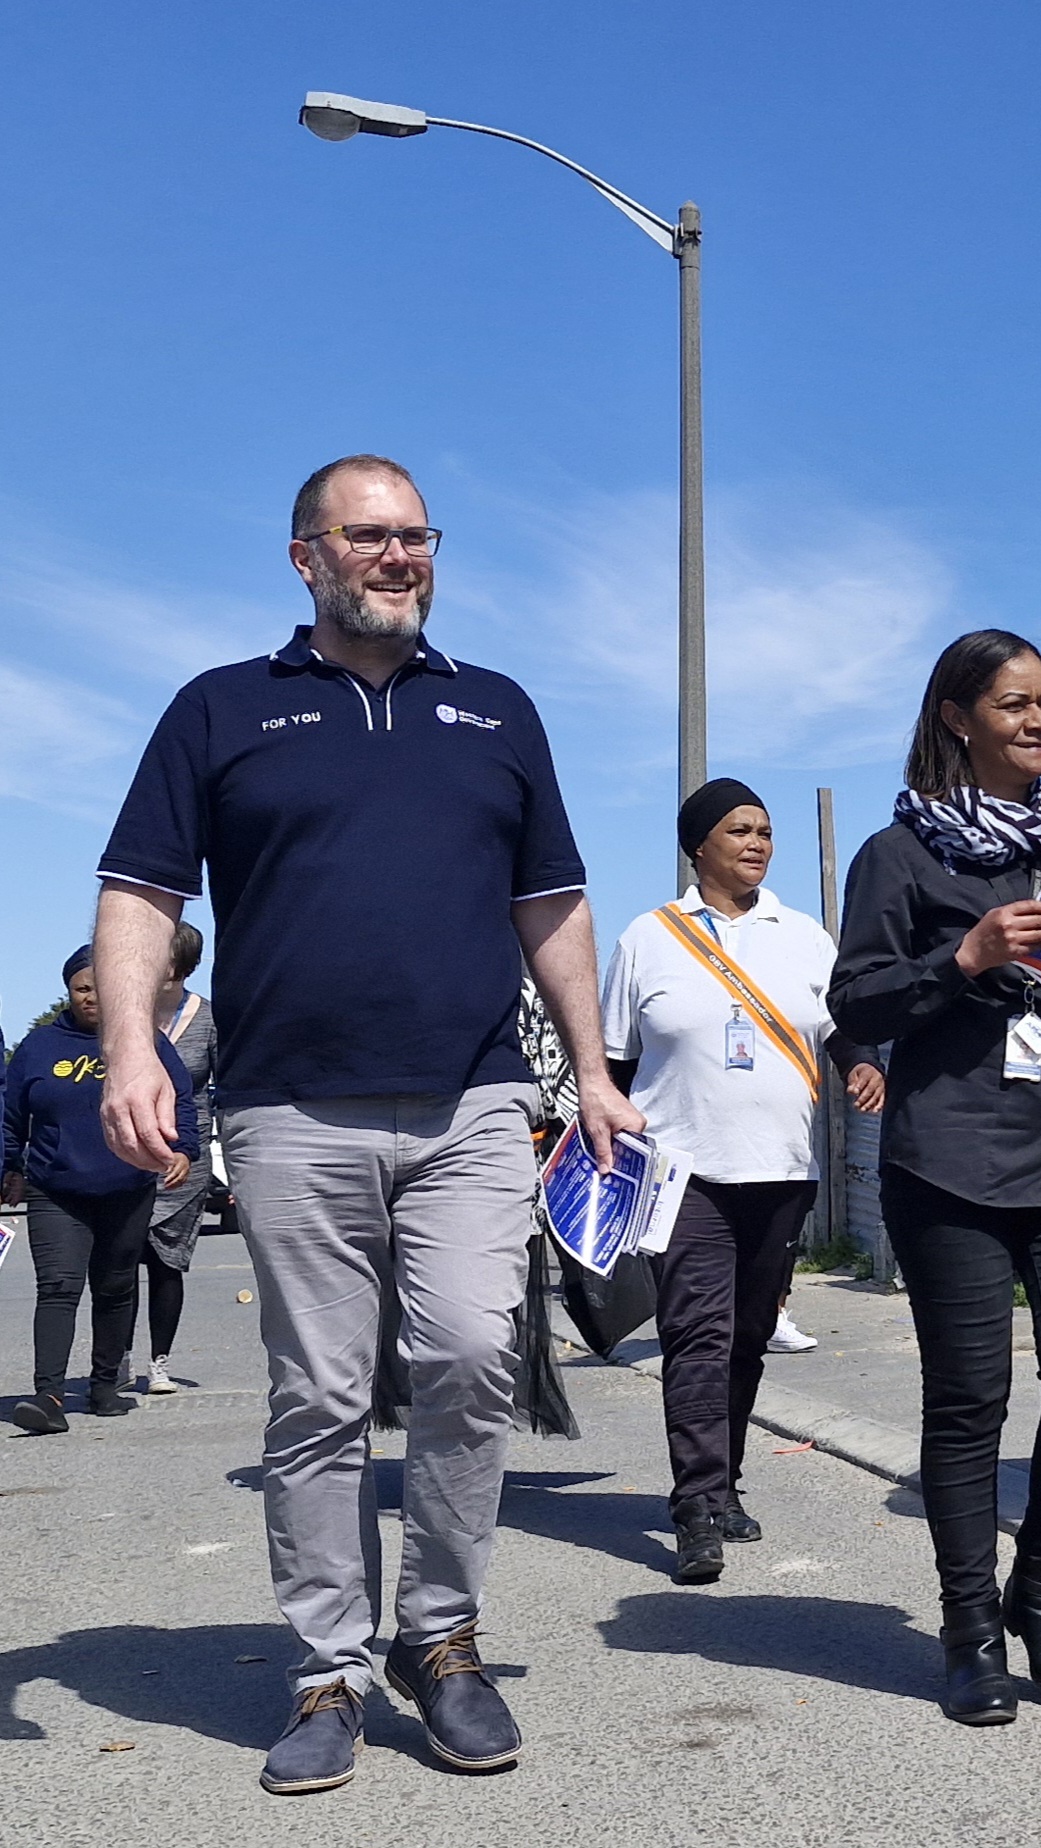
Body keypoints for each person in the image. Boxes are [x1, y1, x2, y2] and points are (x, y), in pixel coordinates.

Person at [92, 454, 642, 1795]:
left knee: (467, 1361)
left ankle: (440, 1639)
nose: (400, 558)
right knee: (323, 1395)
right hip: (290, 1109)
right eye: (369, 538)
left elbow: (553, 904)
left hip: (473, 1104)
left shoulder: (495, 712)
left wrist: (594, 1068)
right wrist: (132, 1047)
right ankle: (331, 1668)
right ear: (307, 558)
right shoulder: (222, 711)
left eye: (417, 537)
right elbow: (142, 892)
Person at [830, 629, 1041, 1726]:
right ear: (959, 717)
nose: (1039, 721)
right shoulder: (898, 854)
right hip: (952, 1155)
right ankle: (970, 1629)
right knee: (969, 1402)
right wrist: (961, 960)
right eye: (1014, 703)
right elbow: (858, 1006)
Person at [603, 778, 886, 1583]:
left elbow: (842, 1027)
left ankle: (724, 1480)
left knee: (751, 1333)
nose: (758, 842)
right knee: (697, 1333)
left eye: (765, 830)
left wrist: (862, 1066)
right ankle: (696, 1504)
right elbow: (617, 1063)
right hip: (680, 1171)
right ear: (699, 846)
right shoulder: (648, 938)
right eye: (739, 829)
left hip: (782, 1169)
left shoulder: (803, 936)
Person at [3, 946, 196, 1432]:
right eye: (81, 989)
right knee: (58, 1287)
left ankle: (105, 1384)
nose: (90, 997)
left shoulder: (144, 1042)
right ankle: (48, 1395)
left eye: (99, 988)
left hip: (127, 1185)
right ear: (68, 991)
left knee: (114, 1287)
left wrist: (183, 1150)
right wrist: (8, 1165)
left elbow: (181, 1096)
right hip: (55, 1186)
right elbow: (10, 1114)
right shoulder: (38, 1047)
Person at [136, 921, 217, 1395]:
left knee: (168, 1262)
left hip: (186, 1156)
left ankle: (158, 1362)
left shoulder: (208, 1018)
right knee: (121, 1261)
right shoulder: (127, 1015)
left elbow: (223, 1085)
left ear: (177, 965)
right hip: (128, 1152)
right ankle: (115, 1360)